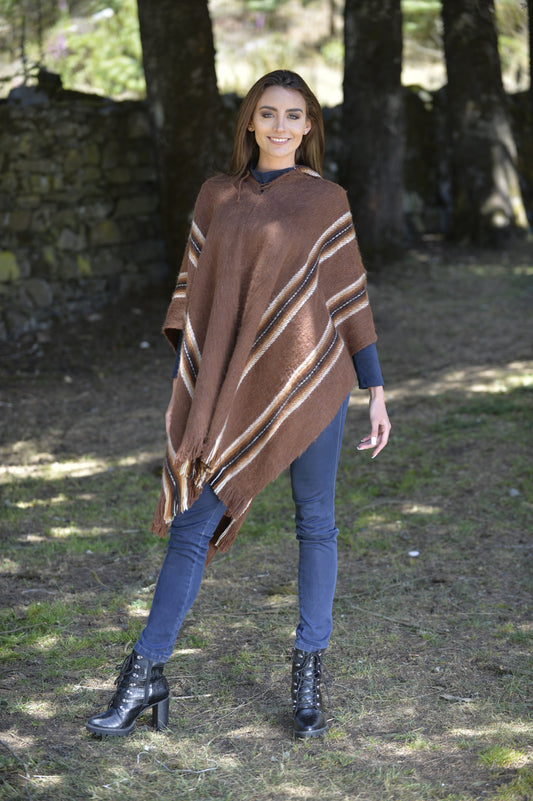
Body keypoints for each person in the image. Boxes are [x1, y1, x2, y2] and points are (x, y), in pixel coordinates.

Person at [86, 70, 391, 741]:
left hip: (313, 382)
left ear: (309, 126)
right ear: (250, 121)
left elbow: (349, 303)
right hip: (230, 389)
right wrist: (201, 388)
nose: (281, 126)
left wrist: (375, 391)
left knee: (316, 522)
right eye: (268, 113)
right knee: (191, 524)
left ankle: (308, 675)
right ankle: (143, 675)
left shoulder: (326, 201)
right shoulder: (217, 196)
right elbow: (197, 298)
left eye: (294, 115)